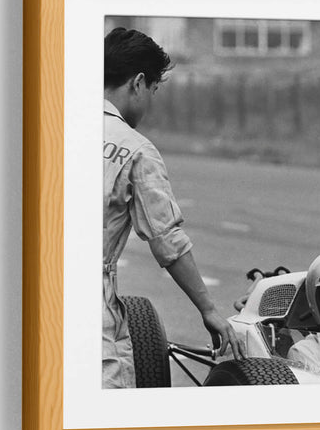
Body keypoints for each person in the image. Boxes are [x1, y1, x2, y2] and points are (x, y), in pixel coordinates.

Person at [103, 27, 244, 388]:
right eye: (153, 90)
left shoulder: (51, 126)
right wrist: (208, 309)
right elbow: (166, 240)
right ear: (138, 83)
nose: (150, 101)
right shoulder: (135, 149)